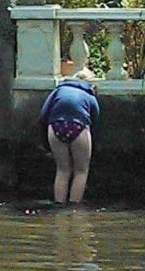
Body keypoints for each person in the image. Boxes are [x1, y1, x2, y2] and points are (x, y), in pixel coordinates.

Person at [40, 68, 100, 205]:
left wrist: (45, 143)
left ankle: (59, 206)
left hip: (55, 126)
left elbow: (43, 115)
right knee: (81, 171)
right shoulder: (90, 96)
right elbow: (94, 122)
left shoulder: (58, 91)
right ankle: (74, 209)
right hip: (79, 127)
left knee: (62, 169)